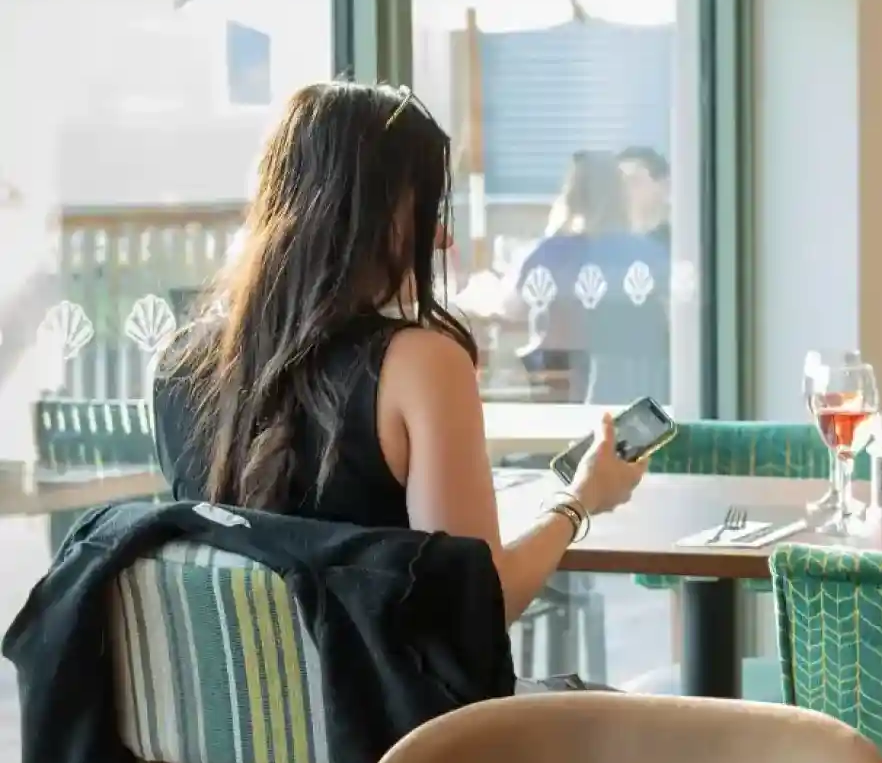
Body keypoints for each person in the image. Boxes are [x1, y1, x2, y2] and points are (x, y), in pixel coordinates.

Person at [153, 82, 647, 629]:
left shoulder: (179, 364)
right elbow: (478, 609)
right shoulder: (420, 365)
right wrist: (580, 501)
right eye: (425, 212)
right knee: (644, 716)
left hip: (235, 710)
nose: (439, 239)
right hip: (398, 716)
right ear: (365, 218)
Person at [508, 150, 670, 405]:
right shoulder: (650, 255)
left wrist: (554, 228)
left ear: (570, 196)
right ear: (621, 197)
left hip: (565, 398)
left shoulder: (550, 254)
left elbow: (513, 309)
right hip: (642, 397)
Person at [617, 145, 672, 247]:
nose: (624, 192)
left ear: (664, 186)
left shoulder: (681, 241)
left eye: (633, 181)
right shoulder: (613, 245)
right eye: (619, 184)